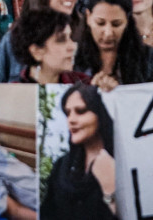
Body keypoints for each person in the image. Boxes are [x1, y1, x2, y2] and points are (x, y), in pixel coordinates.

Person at [40, 83, 117, 219]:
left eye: (80, 111)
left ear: (101, 114)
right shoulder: (61, 166)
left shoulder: (122, 164)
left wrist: (110, 191)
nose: (71, 120)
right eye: (67, 113)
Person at [75, 0, 153, 89]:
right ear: (88, 17)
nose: (108, 32)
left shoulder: (150, 59)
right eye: (100, 23)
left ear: (127, 21)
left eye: (116, 24)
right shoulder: (72, 58)